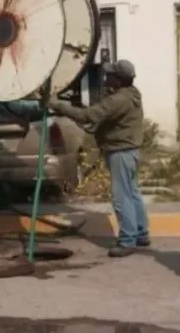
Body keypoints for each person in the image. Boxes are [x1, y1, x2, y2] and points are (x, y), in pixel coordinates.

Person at [49, 60, 149, 257]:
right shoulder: (131, 94)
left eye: (110, 75)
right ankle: (141, 232)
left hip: (120, 152)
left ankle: (128, 240)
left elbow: (88, 115)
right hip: (130, 150)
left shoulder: (118, 100)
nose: (106, 77)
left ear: (118, 80)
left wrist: (59, 105)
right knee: (132, 192)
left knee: (121, 197)